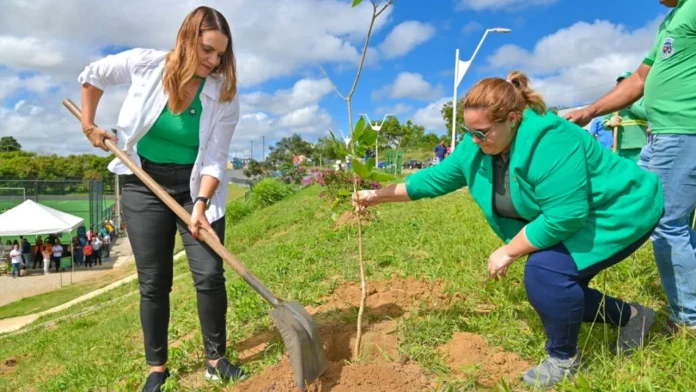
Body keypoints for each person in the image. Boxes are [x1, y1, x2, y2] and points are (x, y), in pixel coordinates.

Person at [353, 71, 664, 388]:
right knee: (553, 280)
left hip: (620, 210)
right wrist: (374, 196)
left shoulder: (550, 139)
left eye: (483, 133)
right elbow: (430, 181)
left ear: (513, 119)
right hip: (576, 213)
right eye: (469, 131)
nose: (474, 140)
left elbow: (564, 217)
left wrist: (508, 250)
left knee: (547, 273)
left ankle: (564, 361)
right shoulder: (476, 146)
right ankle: (632, 317)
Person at [77, 6, 243, 391]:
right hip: (142, 181)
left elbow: (216, 160)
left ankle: (216, 359)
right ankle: (157, 367)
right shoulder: (144, 65)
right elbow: (92, 75)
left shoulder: (223, 95)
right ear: (186, 39)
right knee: (154, 281)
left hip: (194, 189)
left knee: (209, 273)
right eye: (207, 50)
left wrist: (199, 206)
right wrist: (89, 125)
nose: (213, 61)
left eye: (220, 54)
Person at [564, 0, 696, 334]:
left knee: (668, 223)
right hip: (663, 134)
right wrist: (589, 111)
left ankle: (688, 321)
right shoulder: (671, 20)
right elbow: (640, 78)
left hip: (684, 131)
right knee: (644, 211)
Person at [598, 72, 648, 162]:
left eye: (626, 82)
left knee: (641, 173)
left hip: (640, 147)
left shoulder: (642, 99)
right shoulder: (613, 103)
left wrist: (629, 104)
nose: (623, 85)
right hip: (619, 148)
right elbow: (603, 123)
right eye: (620, 83)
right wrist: (609, 123)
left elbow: (647, 115)